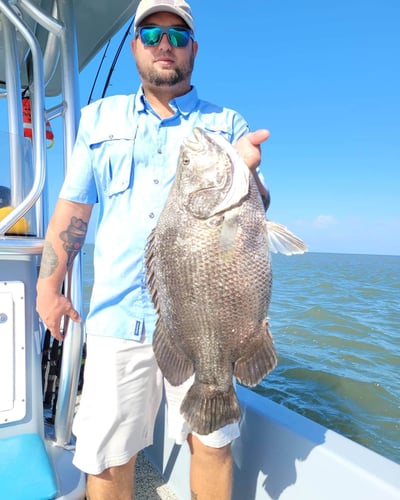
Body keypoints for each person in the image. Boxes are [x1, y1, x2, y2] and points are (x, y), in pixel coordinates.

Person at [36, 0, 270, 498]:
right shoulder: (98, 120)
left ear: (194, 50)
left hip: (205, 321)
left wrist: (247, 174)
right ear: (135, 44)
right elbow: (74, 212)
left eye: (179, 36)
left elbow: (253, 211)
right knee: (107, 456)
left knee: (211, 444)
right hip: (118, 317)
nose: (166, 45)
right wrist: (47, 285)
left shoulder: (226, 124)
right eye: (152, 33)